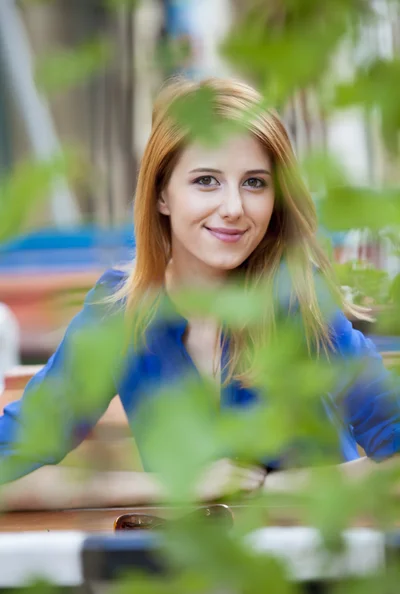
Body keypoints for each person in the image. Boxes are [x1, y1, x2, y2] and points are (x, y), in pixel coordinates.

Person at [1, 77, 399, 511]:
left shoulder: (298, 302)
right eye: (207, 180)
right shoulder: (119, 312)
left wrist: (268, 491)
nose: (233, 207)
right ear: (161, 195)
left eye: (254, 183)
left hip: (310, 565)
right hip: (185, 569)